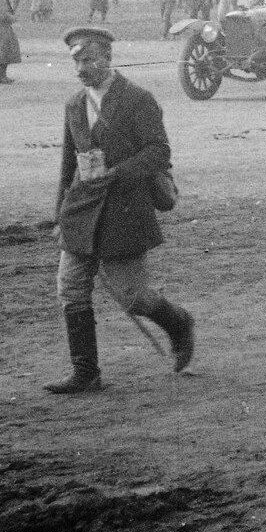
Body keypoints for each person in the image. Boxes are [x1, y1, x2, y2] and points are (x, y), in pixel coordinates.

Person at [44, 26, 194, 394]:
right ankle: (86, 373)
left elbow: (159, 152)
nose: (81, 68)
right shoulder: (74, 104)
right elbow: (68, 164)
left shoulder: (137, 100)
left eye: (88, 59)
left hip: (123, 209)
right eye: (76, 61)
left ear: (108, 59)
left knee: (133, 296)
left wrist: (117, 173)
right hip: (82, 210)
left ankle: (178, 323)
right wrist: (60, 214)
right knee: (71, 287)